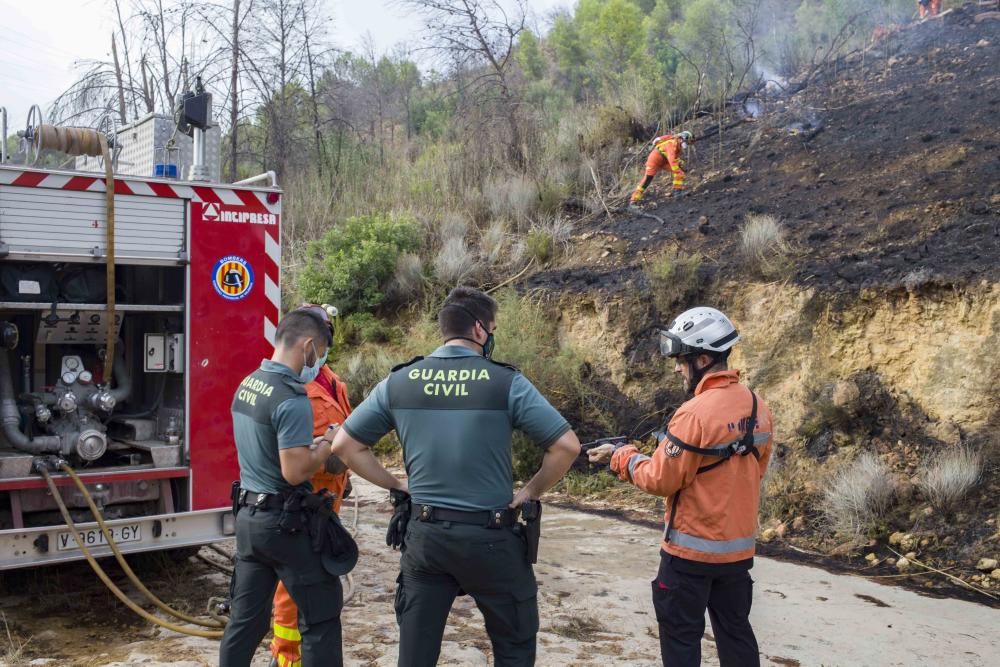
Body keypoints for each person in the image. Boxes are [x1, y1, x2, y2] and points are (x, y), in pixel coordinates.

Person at [329, 286, 582, 667]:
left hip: (427, 537)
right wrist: (530, 491)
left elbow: (345, 445)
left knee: (415, 655)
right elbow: (566, 446)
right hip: (492, 539)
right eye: (492, 328)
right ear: (480, 330)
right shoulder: (505, 382)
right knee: (514, 648)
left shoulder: (400, 381)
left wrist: (396, 484)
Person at [588, 307, 773, 667]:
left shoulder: (693, 413)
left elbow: (660, 479)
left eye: (681, 359)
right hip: (737, 556)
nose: (676, 367)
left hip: (689, 556)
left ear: (702, 359)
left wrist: (622, 457)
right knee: (736, 635)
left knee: (681, 640)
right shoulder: (757, 407)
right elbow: (756, 471)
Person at [220, 308, 350, 667]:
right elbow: (293, 472)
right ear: (308, 346)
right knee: (321, 620)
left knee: (245, 623)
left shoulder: (249, 383)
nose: (319, 360)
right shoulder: (290, 397)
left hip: (249, 519)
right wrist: (327, 444)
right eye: (320, 351)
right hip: (286, 524)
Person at [270, 305, 354, 667]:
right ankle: (287, 658)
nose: (326, 343)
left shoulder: (330, 380)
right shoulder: (292, 385)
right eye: (323, 335)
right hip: (306, 500)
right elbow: (298, 452)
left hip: (329, 499)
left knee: (318, 588)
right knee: (291, 589)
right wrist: (329, 453)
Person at [631, 130, 693, 207]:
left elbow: (674, 158)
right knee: (647, 179)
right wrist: (677, 168)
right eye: (687, 142)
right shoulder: (672, 143)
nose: (686, 144)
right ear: (681, 138)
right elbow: (672, 160)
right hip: (654, 159)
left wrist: (680, 164)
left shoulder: (677, 145)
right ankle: (633, 201)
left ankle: (677, 193)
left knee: (680, 173)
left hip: (664, 161)